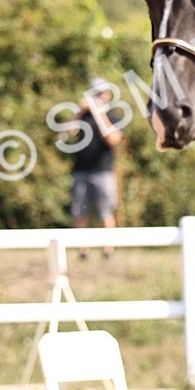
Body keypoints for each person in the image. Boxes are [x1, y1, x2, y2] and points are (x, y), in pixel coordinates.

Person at [68, 78, 124, 258]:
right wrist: (80, 111)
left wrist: (99, 113)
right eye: (97, 94)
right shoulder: (83, 116)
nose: (102, 97)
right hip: (81, 171)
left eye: (103, 93)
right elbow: (68, 131)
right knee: (80, 212)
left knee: (105, 211)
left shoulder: (112, 117)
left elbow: (113, 139)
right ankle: (83, 249)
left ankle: (107, 249)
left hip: (103, 171)